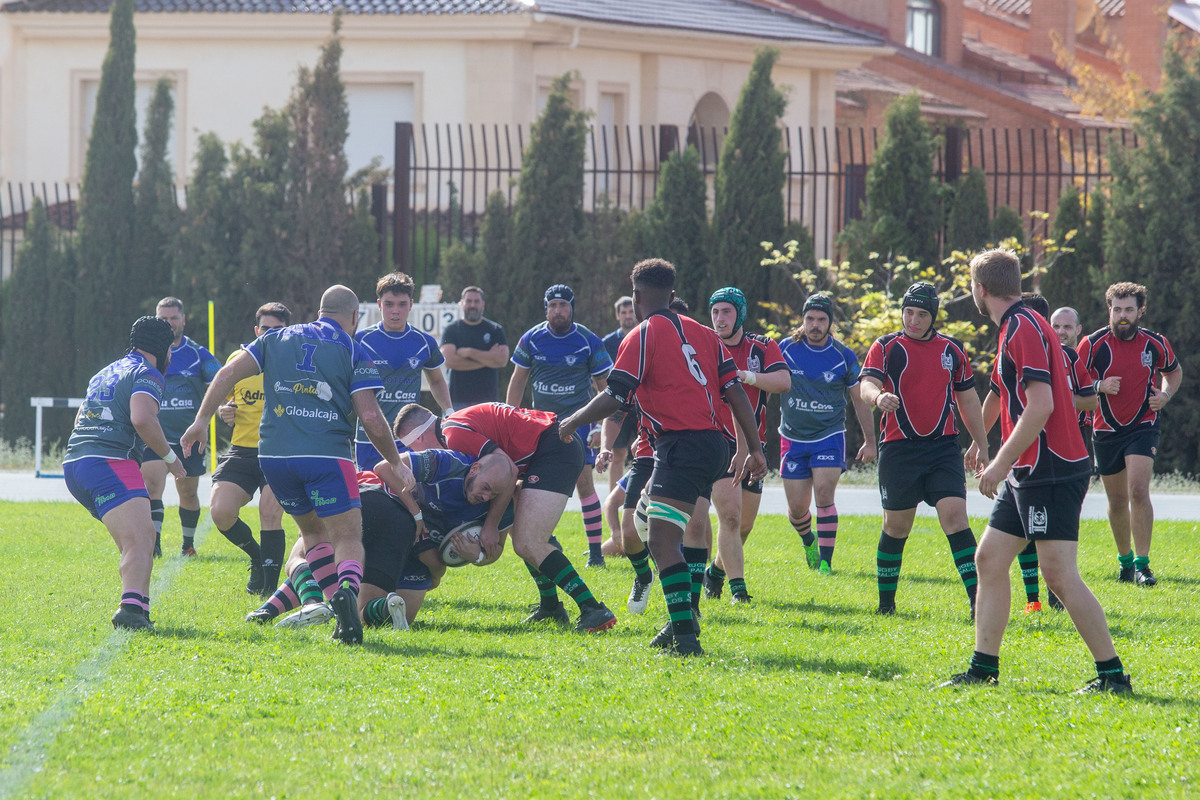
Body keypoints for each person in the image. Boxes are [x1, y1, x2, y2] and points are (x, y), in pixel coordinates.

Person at [181, 285, 415, 645]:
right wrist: (395, 461)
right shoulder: (354, 348)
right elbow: (370, 415)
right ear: (355, 318)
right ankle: (348, 594)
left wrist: (200, 421)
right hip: (326, 456)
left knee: (312, 535)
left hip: (274, 458)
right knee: (347, 536)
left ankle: (336, 605)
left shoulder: (275, 338)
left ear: (320, 310)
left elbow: (227, 373)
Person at [941, 248, 1130, 694]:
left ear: (980, 289)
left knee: (1058, 575)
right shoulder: (1019, 324)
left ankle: (1112, 675)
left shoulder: (1022, 327)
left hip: (1049, 469)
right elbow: (1008, 398)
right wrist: (992, 449)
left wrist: (998, 463)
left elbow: (1041, 405)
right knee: (988, 559)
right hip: (1029, 469)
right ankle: (983, 668)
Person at [559, 258, 767, 657]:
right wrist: (755, 448)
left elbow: (615, 395)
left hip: (680, 445)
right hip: (714, 445)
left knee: (661, 538)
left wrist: (571, 423)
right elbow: (735, 391)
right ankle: (679, 620)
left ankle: (686, 636)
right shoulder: (705, 334)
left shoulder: (641, 335)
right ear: (673, 296)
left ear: (636, 297)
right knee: (665, 523)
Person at [250, 446, 517, 631]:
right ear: (475, 469)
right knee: (365, 609)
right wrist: (418, 521)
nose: (486, 497)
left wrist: (477, 557)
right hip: (401, 526)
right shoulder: (446, 463)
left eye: (493, 495)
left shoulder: (496, 506)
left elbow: (494, 550)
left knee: (309, 553)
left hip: (399, 533)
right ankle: (285, 609)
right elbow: (386, 468)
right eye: (485, 489)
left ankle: (298, 605)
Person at [408, 402, 618, 632]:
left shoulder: (453, 435)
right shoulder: (455, 425)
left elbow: (509, 469)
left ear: (419, 438)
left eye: (411, 447)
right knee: (524, 537)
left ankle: (592, 608)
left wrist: (491, 525)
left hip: (554, 449)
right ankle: (550, 606)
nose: (419, 453)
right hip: (550, 444)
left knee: (528, 541)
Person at [858, 282, 989, 616]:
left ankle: (979, 601)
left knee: (955, 518)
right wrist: (878, 397)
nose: (913, 319)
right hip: (899, 450)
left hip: (943, 448)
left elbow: (969, 399)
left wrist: (981, 443)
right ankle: (886, 604)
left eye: (921, 314)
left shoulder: (953, 350)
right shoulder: (885, 346)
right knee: (897, 527)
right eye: (908, 312)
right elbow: (866, 384)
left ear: (933, 317)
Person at [63, 316, 185, 630]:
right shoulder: (148, 372)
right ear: (162, 347)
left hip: (76, 463)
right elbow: (143, 418)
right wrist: (170, 458)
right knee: (142, 538)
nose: (171, 356)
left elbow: (80, 418)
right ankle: (130, 611)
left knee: (137, 538)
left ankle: (139, 609)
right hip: (110, 461)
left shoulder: (104, 371)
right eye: (170, 349)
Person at [1078, 282, 1182, 587]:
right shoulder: (1092, 343)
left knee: (1138, 490)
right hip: (1105, 428)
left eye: (1129, 309)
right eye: (1117, 309)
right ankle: (1124, 561)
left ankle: (1143, 564)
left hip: (1144, 425)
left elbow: (1173, 372)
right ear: (1109, 310)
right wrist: (1099, 386)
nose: (1123, 315)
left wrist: (1164, 396)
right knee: (1117, 499)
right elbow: (1073, 382)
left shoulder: (1155, 343)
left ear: (1140, 311)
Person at [506, 284, 613, 567]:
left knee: (584, 483)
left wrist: (598, 426)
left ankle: (595, 554)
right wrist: (511, 417)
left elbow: (606, 387)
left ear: (572, 308)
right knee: (535, 483)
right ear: (546, 308)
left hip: (578, 423)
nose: (557, 311)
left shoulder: (587, 340)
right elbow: (518, 380)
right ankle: (548, 541)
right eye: (552, 306)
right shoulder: (532, 338)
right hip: (540, 425)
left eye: (563, 305)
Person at [778, 293, 876, 575]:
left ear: (830, 323)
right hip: (792, 437)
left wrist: (870, 441)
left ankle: (826, 563)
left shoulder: (842, 355)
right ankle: (809, 541)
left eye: (821, 319)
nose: (815, 325)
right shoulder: (785, 349)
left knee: (823, 494)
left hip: (829, 435)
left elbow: (859, 399)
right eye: (810, 319)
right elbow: (769, 387)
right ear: (803, 320)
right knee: (797, 510)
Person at [702, 287, 789, 604]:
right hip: (716, 441)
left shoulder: (763, 346)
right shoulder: (703, 346)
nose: (719, 318)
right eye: (715, 312)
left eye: (726, 311)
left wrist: (745, 377)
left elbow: (783, 382)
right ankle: (739, 592)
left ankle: (715, 572)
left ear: (739, 314)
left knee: (744, 525)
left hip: (754, 444)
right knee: (730, 516)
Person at [209, 302, 291, 596]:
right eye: (265, 329)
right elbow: (224, 400)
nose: (270, 335)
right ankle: (257, 558)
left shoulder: (295, 362)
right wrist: (223, 411)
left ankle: (269, 591)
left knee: (270, 512)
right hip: (242, 451)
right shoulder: (239, 359)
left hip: (278, 451)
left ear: (288, 332)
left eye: (277, 330)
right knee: (221, 512)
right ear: (256, 331)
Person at [141, 297, 220, 557]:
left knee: (187, 492)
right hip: (154, 435)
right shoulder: (146, 356)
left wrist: (224, 408)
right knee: (152, 485)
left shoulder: (197, 354)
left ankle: (187, 544)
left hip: (188, 439)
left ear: (183, 319)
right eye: (163, 318)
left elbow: (221, 384)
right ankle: (154, 545)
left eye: (174, 318)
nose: (169, 323)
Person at [355, 272, 453, 470]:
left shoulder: (424, 342)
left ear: (411, 305)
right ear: (379, 304)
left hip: (409, 436)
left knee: (408, 491)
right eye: (389, 304)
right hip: (369, 439)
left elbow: (436, 381)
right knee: (371, 494)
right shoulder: (360, 341)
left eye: (401, 304)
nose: (395, 311)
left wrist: (449, 412)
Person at [439, 286, 509, 409]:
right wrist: (488, 360)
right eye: (468, 301)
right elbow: (449, 361)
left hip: (487, 402)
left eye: (476, 301)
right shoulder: (451, 330)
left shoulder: (495, 330)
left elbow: (502, 360)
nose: (473, 305)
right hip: (457, 402)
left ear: (483, 304)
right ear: (461, 304)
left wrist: (469, 352)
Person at [601, 295, 639, 511]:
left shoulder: (644, 335)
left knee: (641, 452)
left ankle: (636, 498)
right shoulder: (608, 343)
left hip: (642, 405)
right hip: (619, 405)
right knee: (617, 454)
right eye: (623, 313)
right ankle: (613, 501)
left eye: (630, 312)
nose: (627, 316)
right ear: (617, 316)